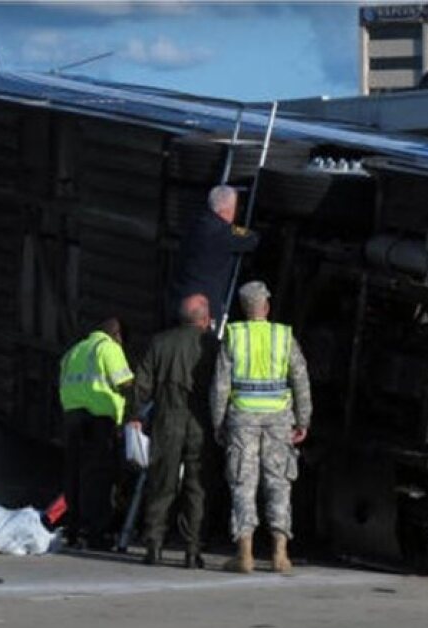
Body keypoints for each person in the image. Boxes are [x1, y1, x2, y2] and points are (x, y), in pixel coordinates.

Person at [210, 280, 312, 574]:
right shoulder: (283, 336)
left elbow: (220, 386)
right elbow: (301, 380)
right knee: (278, 482)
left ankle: (245, 554)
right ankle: (280, 554)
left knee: (243, 482)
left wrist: (218, 422)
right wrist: (303, 420)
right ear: (266, 307)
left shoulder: (235, 336)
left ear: (244, 309)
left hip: (242, 418)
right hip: (279, 419)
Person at [133, 294, 218, 568]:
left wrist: (135, 416)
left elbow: (142, 384)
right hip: (200, 421)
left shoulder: (160, 342)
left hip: (166, 419)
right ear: (204, 319)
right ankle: (193, 551)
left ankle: (154, 546)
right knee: (197, 487)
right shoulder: (213, 345)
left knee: (161, 483)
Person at [58, 317, 134, 550]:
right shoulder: (108, 348)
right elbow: (126, 384)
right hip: (99, 419)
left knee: (75, 476)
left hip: (72, 419)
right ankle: (96, 534)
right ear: (116, 334)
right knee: (99, 478)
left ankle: (74, 531)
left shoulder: (73, 351)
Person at [168, 185, 259, 326]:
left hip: (180, 297)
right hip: (205, 306)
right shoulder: (224, 232)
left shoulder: (196, 222)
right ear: (228, 209)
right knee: (207, 335)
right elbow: (251, 238)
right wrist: (238, 228)